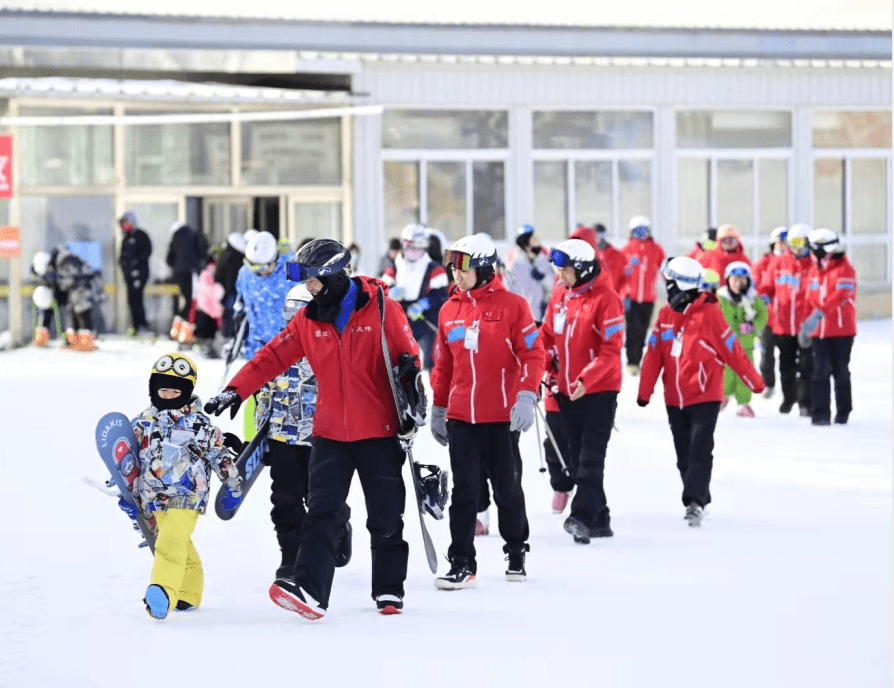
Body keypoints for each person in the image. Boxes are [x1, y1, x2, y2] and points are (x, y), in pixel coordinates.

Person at [205, 238, 422, 619]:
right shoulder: (309, 320)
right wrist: (235, 390)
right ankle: (310, 589)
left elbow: (409, 356)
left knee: (386, 517)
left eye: (314, 280)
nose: (309, 288)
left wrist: (411, 388)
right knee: (322, 511)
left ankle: (389, 589)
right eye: (306, 281)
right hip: (329, 433)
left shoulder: (382, 310)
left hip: (379, 430)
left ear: (337, 276)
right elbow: (271, 356)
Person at [429, 233, 545, 588]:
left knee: (507, 488)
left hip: (502, 415)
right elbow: (443, 365)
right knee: (464, 491)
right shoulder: (450, 309)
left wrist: (526, 395)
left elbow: (533, 354)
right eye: (453, 268)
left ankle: (515, 548)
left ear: (483, 268)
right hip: (462, 415)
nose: (457, 275)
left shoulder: (513, 306)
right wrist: (439, 406)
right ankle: (462, 561)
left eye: (464, 269)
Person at [636, 257, 765, 526]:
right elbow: (653, 356)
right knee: (684, 454)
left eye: (669, 284)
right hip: (674, 398)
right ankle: (699, 496)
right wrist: (644, 391)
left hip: (705, 396)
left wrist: (755, 382)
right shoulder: (665, 316)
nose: (666, 289)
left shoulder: (710, 315)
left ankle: (694, 501)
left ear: (680, 286)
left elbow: (734, 352)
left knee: (700, 449)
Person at [119, 352, 243, 619]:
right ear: (153, 389)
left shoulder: (197, 424)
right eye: (163, 388)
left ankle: (163, 591)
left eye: (177, 390)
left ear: (188, 391)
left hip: (187, 494)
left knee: (169, 543)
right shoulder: (141, 423)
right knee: (178, 542)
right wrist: (127, 492)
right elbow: (128, 460)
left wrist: (232, 482)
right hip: (153, 494)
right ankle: (189, 591)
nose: (169, 394)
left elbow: (218, 454)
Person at [255, 283, 353, 583]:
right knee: (285, 500)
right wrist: (260, 439)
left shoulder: (331, 345)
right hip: (283, 438)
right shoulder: (276, 347)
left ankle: (337, 529)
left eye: (300, 310)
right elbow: (264, 392)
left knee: (321, 498)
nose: (294, 317)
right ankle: (290, 554)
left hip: (321, 439)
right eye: (289, 311)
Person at [539, 238, 624, 544]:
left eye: (564, 270)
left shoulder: (607, 299)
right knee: (573, 460)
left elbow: (612, 350)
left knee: (590, 459)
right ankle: (600, 519)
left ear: (583, 269)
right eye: (556, 270)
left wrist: (587, 379)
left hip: (597, 392)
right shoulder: (561, 295)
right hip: (564, 390)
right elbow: (547, 336)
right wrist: (539, 362)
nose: (558, 276)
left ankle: (582, 517)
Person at [800, 228, 857, 426]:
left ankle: (843, 411)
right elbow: (808, 299)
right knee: (820, 372)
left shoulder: (845, 269)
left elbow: (840, 296)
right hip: (819, 333)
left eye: (815, 248)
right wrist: (805, 325)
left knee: (840, 371)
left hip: (842, 331)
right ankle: (820, 414)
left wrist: (819, 313)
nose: (812, 252)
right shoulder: (813, 271)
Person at [759, 223, 815, 416]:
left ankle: (805, 403)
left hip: (805, 326)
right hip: (782, 325)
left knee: (807, 366)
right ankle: (789, 398)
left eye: (800, 243)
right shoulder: (779, 261)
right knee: (786, 367)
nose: (796, 248)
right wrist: (764, 297)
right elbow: (766, 285)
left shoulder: (815, 264)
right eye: (791, 243)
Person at [381, 223, 449, 369]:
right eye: (411, 247)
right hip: (401, 320)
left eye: (418, 248)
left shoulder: (434, 268)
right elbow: (382, 290)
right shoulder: (396, 266)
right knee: (400, 360)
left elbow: (441, 295)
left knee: (429, 363)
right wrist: (391, 293)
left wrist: (422, 305)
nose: (414, 251)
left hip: (425, 321)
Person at [717, 262, 768, 418]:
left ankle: (743, 404)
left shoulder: (753, 298)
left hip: (745, 345)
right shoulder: (720, 298)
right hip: (725, 345)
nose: (739, 282)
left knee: (744, 375)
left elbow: (763, 315)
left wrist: (753, 326)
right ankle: (722, 396)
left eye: (742, 279)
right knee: (725, 374)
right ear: (728, 280)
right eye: (735, 279)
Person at [31, 247, 103, 352]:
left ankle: (86, 341)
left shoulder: (65, 261)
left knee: (81, 309)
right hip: (76, 289)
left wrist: (59, 290)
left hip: (83, 288)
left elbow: (71, 281)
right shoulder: (54, 266)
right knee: (72, 310)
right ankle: (75, 341)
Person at [235, 231, 292, 360]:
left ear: (275, 259)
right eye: (253, 267)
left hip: (288, 346)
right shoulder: (245, 274)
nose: (261, 272)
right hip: (258, 347)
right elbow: (242, 300)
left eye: (263, 267)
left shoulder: (293, 271)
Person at [621, 215, 666, 376]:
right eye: (638, 231)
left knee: (642, 331)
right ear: (632, 232)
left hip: (649, 298)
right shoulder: (627, 248)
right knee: (632, 329)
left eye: (644, 230)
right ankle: (632, 362)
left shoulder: (655, 248)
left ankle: (638, 361)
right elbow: (621, 273)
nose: (642, 234)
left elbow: (664, 269)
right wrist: (628, 267)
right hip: (631, 297)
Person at [752, 226, 788, 398]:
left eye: (786, 243)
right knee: (766, 353)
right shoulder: (763, 262)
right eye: (780, 242)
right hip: (767, 317)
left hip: (787, 319)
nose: (783, 246)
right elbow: (755, 286)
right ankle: (768, 382)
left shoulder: (792, 262)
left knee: (788, 356)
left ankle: (791, 388)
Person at [166, 221, 208, 343]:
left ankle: (176, 331)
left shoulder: (175, 238)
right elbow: (203, 251)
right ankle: (186, 333)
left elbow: (169, 259)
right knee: (192, 303)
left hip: (177, 275)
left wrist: (177, 266)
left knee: (182, 303)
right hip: (192, 274)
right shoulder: (195, 235)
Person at [505, 224, 553, 323]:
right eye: (533, 238)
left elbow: (553, 287)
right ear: (525, 240)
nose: (537, 240)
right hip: (519, 315)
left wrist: (542, 277)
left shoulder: (543, 259)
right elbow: (506, 287)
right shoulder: (515, 262)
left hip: (540, 314)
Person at [118, 211, 153, 336]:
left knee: (137, 299)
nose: (124, 227)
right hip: (129, 276)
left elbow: (146, 252)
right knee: (131, 300)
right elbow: (122, 258)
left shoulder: (141, 236)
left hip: (139, 274)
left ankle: (142, 325)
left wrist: (136, 267)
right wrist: (125, 269)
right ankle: (135, 325)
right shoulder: (126, 239)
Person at [214, 232, 246, 340]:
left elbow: (218, 274)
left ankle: (227, 338)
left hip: (228, 291)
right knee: (235, 316)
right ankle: (233, 338)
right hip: (236, 291)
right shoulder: (241, 256)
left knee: (228, 316)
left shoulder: (225, 254)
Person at [594, 223, 628, 293]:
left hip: (614, 296)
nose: (599, 240)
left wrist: (621, 294)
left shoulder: (618, 256)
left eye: (601, 236)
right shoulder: (589, 256)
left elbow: (625, 277)